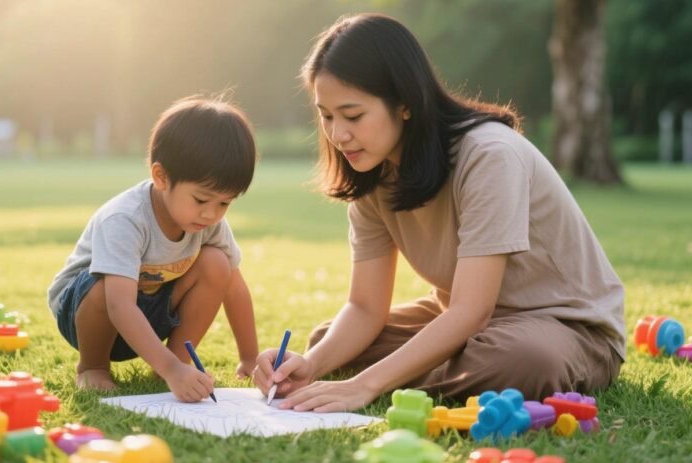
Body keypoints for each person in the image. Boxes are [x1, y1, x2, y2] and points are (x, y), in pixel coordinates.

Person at [253, 13, 624, 412]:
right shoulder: (370, 171)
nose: (338, 135)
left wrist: (363, 385)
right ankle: (425, 373)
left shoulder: (488, 156)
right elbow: (364, 308)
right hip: (470, 324)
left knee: (524, 363)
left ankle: (393, 379)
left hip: (562, 326)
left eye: (353, 115)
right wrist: (311, 365)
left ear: (405, 104)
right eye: (326, 116)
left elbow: (471, 311)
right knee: (325, 341)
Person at [48, 96, 259, 402]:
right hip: (87, 313)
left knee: (218, 264)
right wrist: (173, 369)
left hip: (148, 314)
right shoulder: (126, 219)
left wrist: (250, 358)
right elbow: (119, 305)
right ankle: (92, 367)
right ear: (161, 177)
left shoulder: (207, 223)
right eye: (201, 200)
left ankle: (169, 366)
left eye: (224, 203)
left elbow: (235, 288)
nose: (211, 214)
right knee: (104, 281)